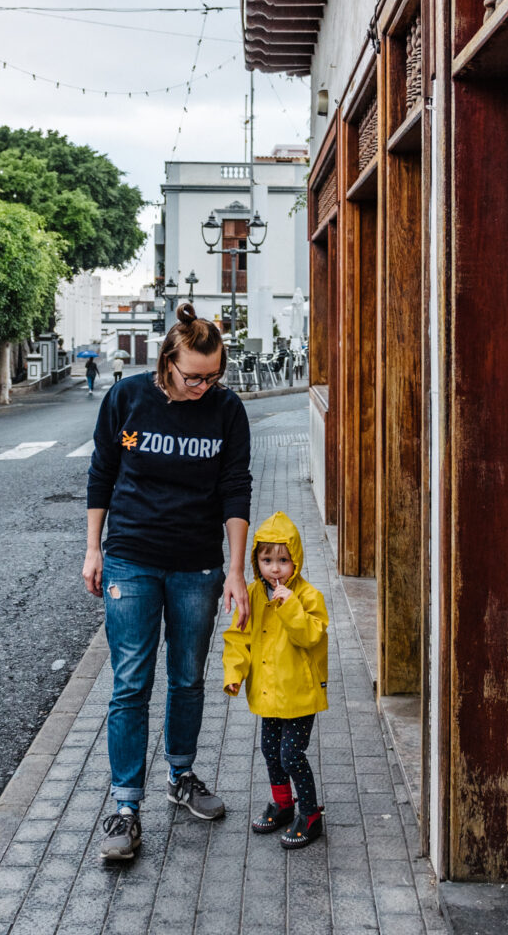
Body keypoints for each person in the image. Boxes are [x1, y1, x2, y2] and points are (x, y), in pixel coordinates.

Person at [83, 303, 252, 861]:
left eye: (214, 375)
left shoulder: (226, 411)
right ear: (167, 363)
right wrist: (92, 550)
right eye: (194, 376)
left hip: (197, 565)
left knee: (186, 677)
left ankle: (181, 776)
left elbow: (235, 488)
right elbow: (103, 471)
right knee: (131, 680)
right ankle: (125, 807)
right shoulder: (127, 399)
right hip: (130, 558)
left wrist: (235, 569)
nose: (205, 385)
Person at [223, 511, 329, 849]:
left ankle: (310, 814)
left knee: (291, 755)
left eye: (283, 560)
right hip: (269, 693)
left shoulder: (308, 596)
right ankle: (284, 804)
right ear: (256, 561)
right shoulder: (254, 595)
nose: (275, 568)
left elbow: (312, 636)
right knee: (270, 750)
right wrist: (234, 673)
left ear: (295, 560)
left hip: (298, 694)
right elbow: (239, 637)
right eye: (267, 559)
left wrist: (291, 606)